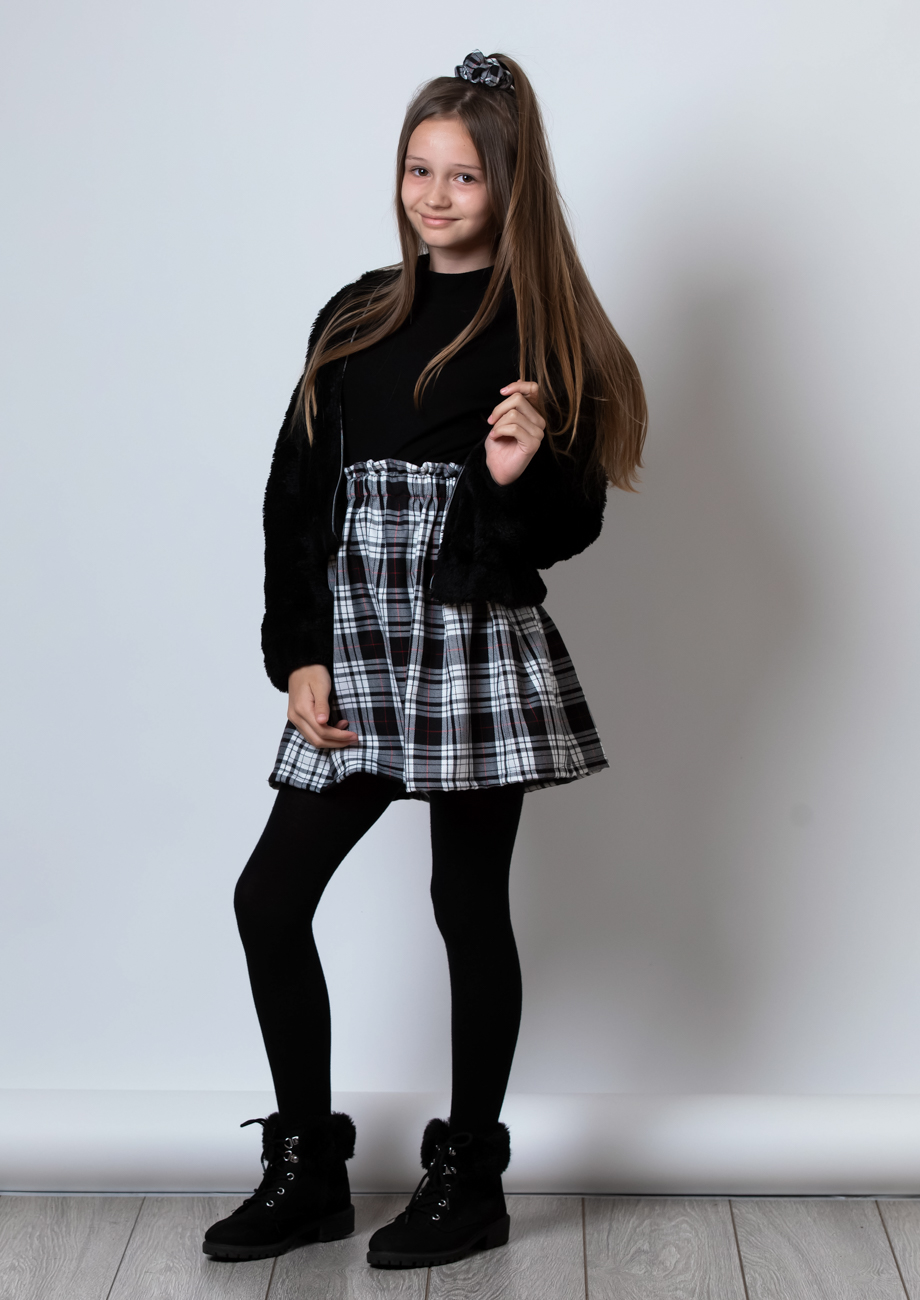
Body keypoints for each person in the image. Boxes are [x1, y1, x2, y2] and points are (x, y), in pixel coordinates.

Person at [202, 50, 646, 1271]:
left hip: (464, 638)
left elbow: (566, 526)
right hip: (354, 638)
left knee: (465, 902)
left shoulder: (540, 327)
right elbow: (295, 493)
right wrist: (298, 650)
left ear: (507, 186)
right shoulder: (354, 313)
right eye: (417, 169)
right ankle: (308, 1167)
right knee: (269, 896)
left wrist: (512, 477)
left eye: (462, 176)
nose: (434, 196)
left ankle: (468, 1177)